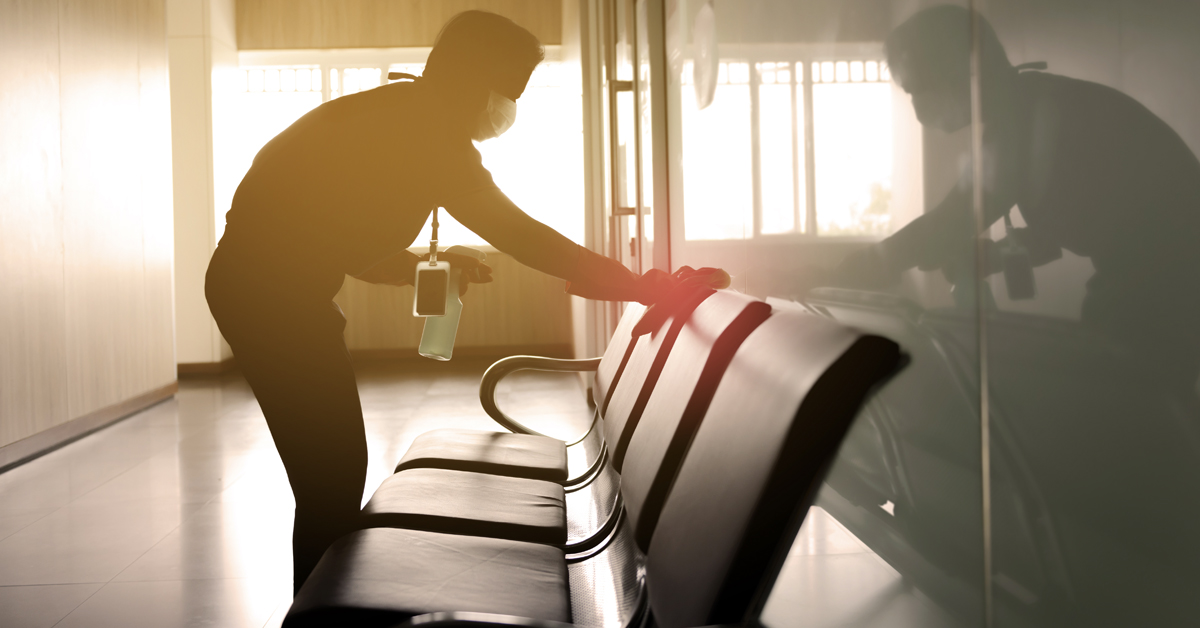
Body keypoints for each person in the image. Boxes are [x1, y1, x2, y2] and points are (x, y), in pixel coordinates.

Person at [205, 11, 668, 592]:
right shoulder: (426, 133)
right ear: (476, 78)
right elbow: (521, 234)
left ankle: (321, 602)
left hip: (270, 288)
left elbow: (334, 235)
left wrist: (422, 267)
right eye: (510, 91)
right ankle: (320, 611)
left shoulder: (397, 114)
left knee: (332, 473)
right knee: (331, 477)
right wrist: (632, 283)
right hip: (268, 295)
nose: (509, 110)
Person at [834, 5, 1200, 389]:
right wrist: (993, 256)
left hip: (1167, 282)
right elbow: (1083, 215)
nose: (916, 106)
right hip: (1159, 277)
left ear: (956, 69)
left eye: (917, 89)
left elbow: (948, 223)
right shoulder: (1035, 102)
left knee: (1107, 404)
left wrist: (847, 270)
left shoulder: (1024, 122)